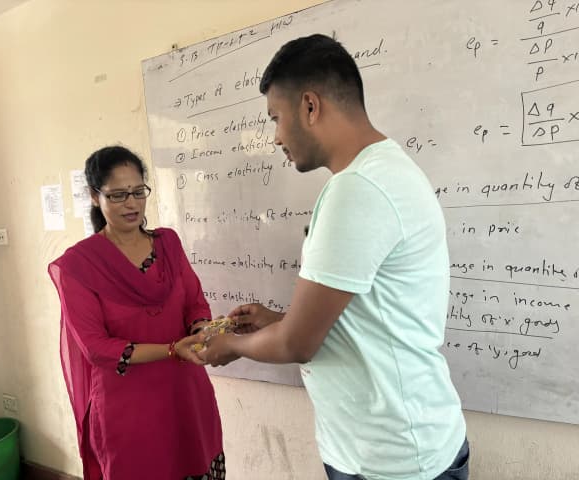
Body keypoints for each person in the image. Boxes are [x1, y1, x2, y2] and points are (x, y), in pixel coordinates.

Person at [198, 34, 469, 480]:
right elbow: (356, 312)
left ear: (310, 106)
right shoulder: (385, 170)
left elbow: (298, 344)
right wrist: (277, 317)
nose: (276, 137)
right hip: (384, 446)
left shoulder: (357, 190)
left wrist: (230, 345)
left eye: (276, 118)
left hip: (393, 460)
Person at [48, 145, 225, 480]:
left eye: (138, 192)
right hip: (128, 408)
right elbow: (96, 347)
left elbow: (194, 302)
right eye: (117, 195)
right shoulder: (79, 265)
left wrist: (202, 329)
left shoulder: (169, 244)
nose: (131, 203)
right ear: (94, 196)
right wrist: (173, 349)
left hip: (186, 393)